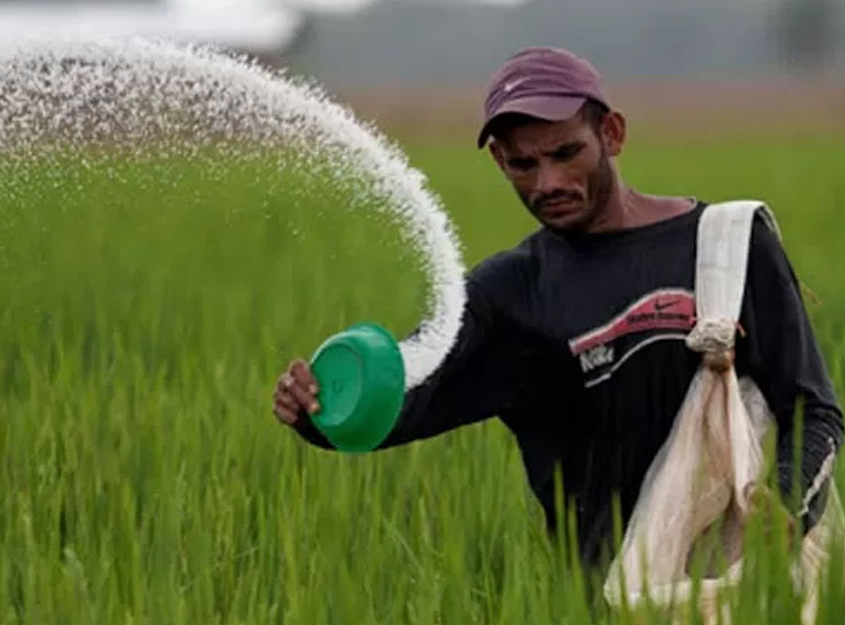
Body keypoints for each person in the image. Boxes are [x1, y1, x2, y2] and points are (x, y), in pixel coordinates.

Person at [270, 46, 843, 567]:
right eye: (523, 164)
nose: (548, 183)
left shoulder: (728, 244)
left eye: (567, 153)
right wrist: (317, 411)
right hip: (607, 599)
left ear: (612, 134)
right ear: (500, 161)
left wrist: (787, 507)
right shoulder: (510, 294)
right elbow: (405, 400)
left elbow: (812, 408)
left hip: (738, 586)